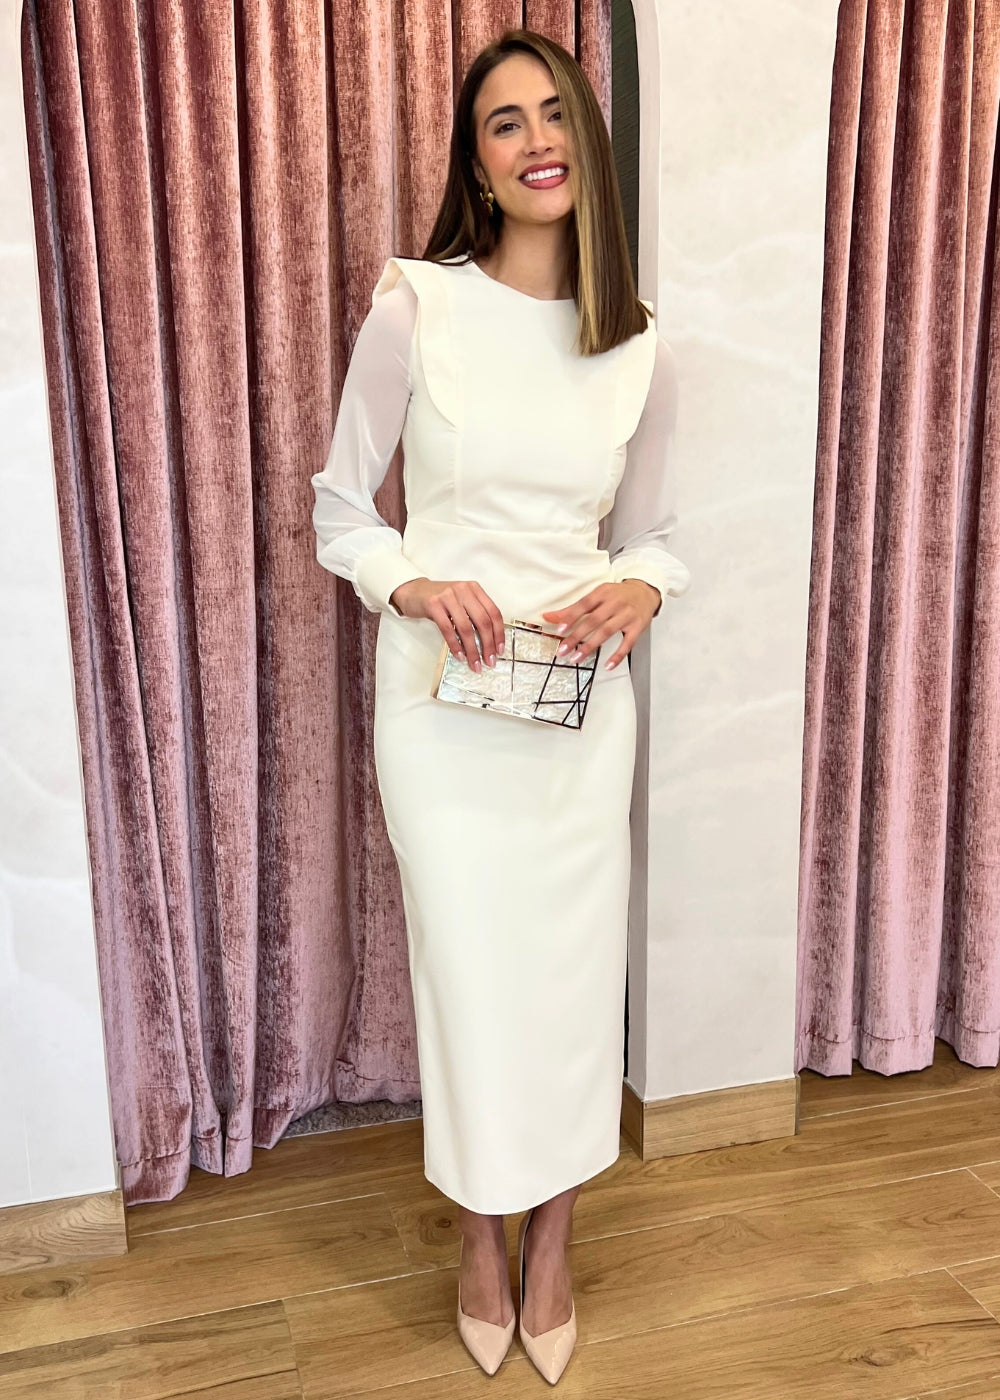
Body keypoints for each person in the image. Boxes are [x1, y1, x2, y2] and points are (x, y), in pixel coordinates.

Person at [311, 27, 691, 1386]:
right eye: (503, 123)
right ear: (477, 166)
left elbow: (656, 538)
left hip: (579, 718)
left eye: (553, 114)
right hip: (441, 711)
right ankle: (481, 1237)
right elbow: (341, 510)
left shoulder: (640, 346)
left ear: (586, 142)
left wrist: (643, 590)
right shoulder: (417, 309)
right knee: (471, 981)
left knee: (573, 986)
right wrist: (415, 584)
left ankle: (555, 1245)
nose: (535, 141)